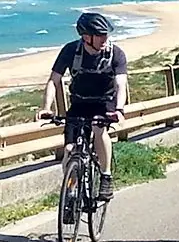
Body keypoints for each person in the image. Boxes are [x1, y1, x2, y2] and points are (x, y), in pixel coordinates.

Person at [38, 12, 129, 200]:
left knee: (98, 130)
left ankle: (106, 176)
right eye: (100, 35)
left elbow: (121, 84)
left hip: (104, 103)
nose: (105, 39)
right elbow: (54, 80)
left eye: (106, 34)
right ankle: (70, 191)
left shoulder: (116, 54)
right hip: (79, 102)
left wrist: (119, 109)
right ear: (87, 37)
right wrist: (46, 107)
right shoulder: (71, 51)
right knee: (69, 150)